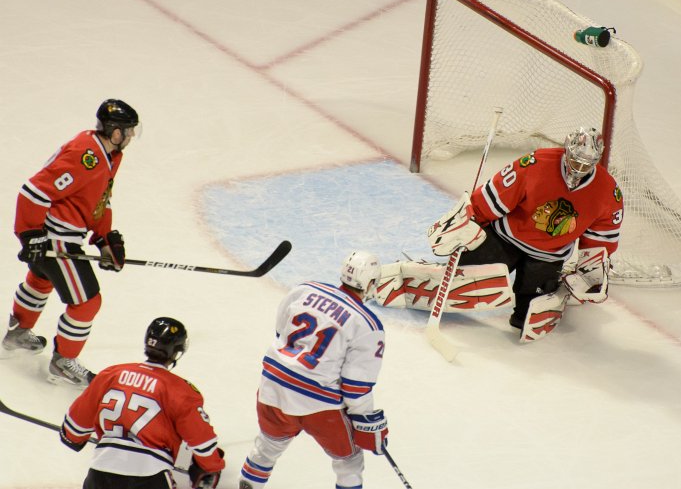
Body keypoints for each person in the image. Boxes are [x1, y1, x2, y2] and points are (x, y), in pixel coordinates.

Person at [427, 127, 624, 340]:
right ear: (567, 151)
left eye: (587, 165)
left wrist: (589, 270)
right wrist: (472, 220)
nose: (580, 169)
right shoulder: (537, 163)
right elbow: (496, 195)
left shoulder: (608, 191)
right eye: (576, 162)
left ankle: (551, 288)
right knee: (465, 278)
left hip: (548, 256)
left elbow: (601, 238)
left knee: (527, 318)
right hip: (506, 238)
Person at [2, 99, 138, 387]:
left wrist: (103, 238)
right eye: (128, 131)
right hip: (56, 239)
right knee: (87, 303)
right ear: (115, 132)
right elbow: (33, 191)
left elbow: (100, 198)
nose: (131, 137)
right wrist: (30, 234)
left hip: (59, 235)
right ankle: (63, 362)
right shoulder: (86, 154)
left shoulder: (110, 155)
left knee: (40, 281)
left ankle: (17, 333)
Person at [239, 251, 389, 489]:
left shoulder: (304, 289)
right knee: (349, 461)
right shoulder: (368, 324)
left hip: (273, 386)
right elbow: (355, 388)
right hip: (318, 405)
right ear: (371, 283)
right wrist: (365, 422)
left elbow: (281, 333)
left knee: (266, 448)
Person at [59, 317, 226, 489]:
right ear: (176, 353)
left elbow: (73, 431)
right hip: (150, 476)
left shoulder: (110, 374)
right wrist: (211, 467)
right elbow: (202, 442)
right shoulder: (181, 390)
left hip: (99, 474)